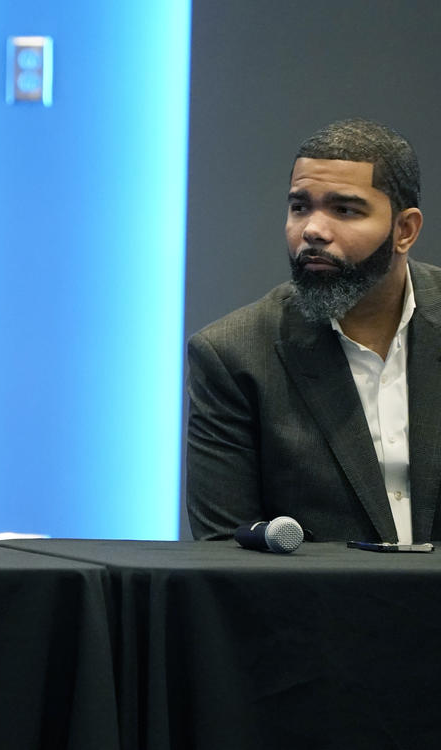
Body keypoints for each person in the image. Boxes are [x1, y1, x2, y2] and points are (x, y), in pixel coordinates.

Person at [185, 117, 441, 544]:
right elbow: (224, 554)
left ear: (405, 230)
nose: (312, 230)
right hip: (316, 610)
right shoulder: (233, 355)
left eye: (344, 210)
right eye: (300, 207)